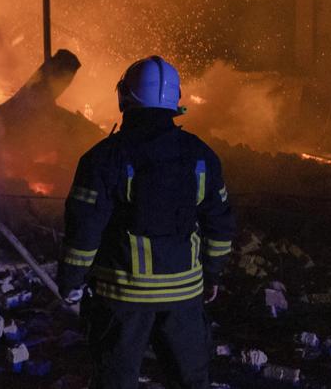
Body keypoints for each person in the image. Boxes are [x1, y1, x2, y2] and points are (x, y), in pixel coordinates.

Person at [57, 56, 236, 389]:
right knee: (190, 380)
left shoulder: (103, 157)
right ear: (176, 100)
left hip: (123, 297)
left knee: (115, 380)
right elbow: (220, 224)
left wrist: (71, 280)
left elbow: (83, 230)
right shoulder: (201, 155)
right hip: (184, 296)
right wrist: (212, 273)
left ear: (125, 97)